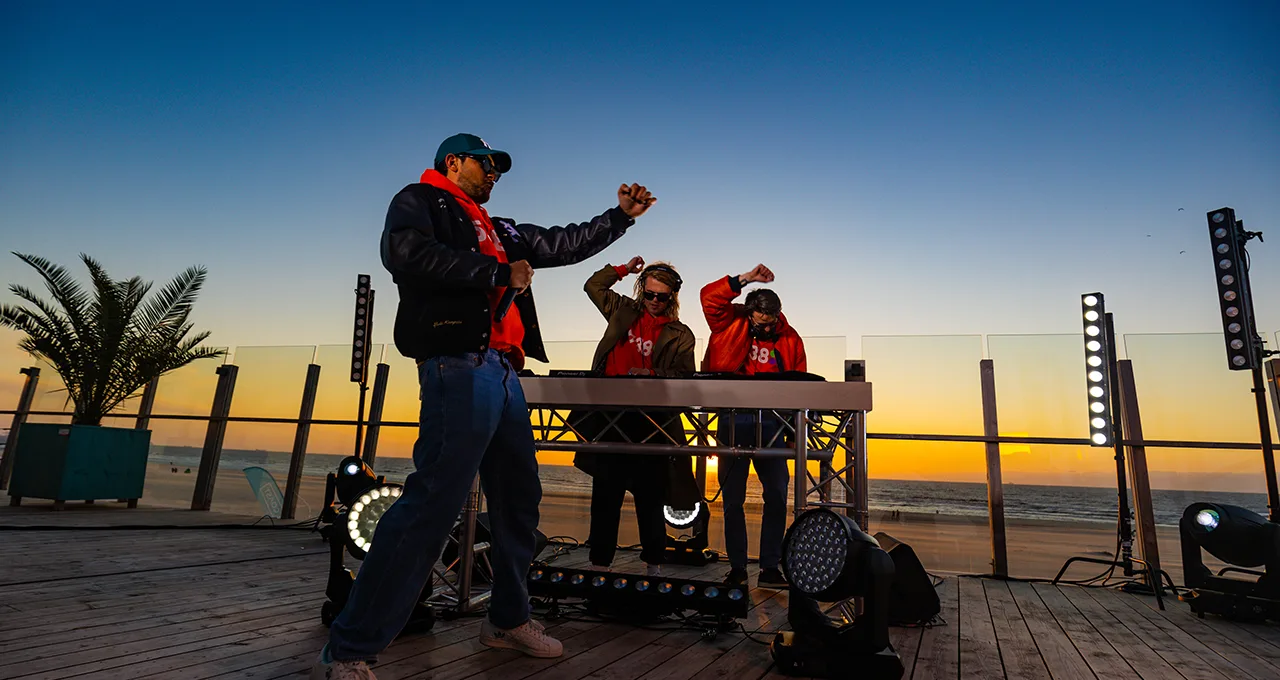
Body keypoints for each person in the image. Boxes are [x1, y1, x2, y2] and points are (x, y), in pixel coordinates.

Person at [312, 133, 656, 680]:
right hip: (457, 362)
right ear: (454, 162)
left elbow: (562, 243)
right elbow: (405, 254)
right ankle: (349, 649)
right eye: (486, 163)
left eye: (499, 167)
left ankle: (506, 620)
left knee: (519, 504)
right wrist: (495, 272)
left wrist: (620, 218)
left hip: (504, 372)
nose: (494, 173)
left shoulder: (501, 228)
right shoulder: (420, 200)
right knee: (432, 503)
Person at [576, 257, 697, 576]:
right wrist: (623, 270)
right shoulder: (622, 309)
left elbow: (686, 376)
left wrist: (653, 373)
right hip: (611, 412)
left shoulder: (681, 334)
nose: (655, 301)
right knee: (606, 493)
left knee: (650, 495)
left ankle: (653, 566)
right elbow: (592, 285)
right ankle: (599, 565)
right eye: (650, 294)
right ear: (642, 290)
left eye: (662, 297)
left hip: (652, 418)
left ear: (672, 297)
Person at [699, 263, 806, 589]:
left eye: (770, 323)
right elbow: (708, 298)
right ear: (749, 314)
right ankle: (738, 568)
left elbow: (800, 386)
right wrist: (744, 279)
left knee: (777, 495)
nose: (765, 329)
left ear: (778, 316)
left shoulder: (790, 338)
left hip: (773, 423)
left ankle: (770, 568)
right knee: (733, 499)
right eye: (759, 324)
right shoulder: (728, 322)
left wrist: (792, 432)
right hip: (733, 417)